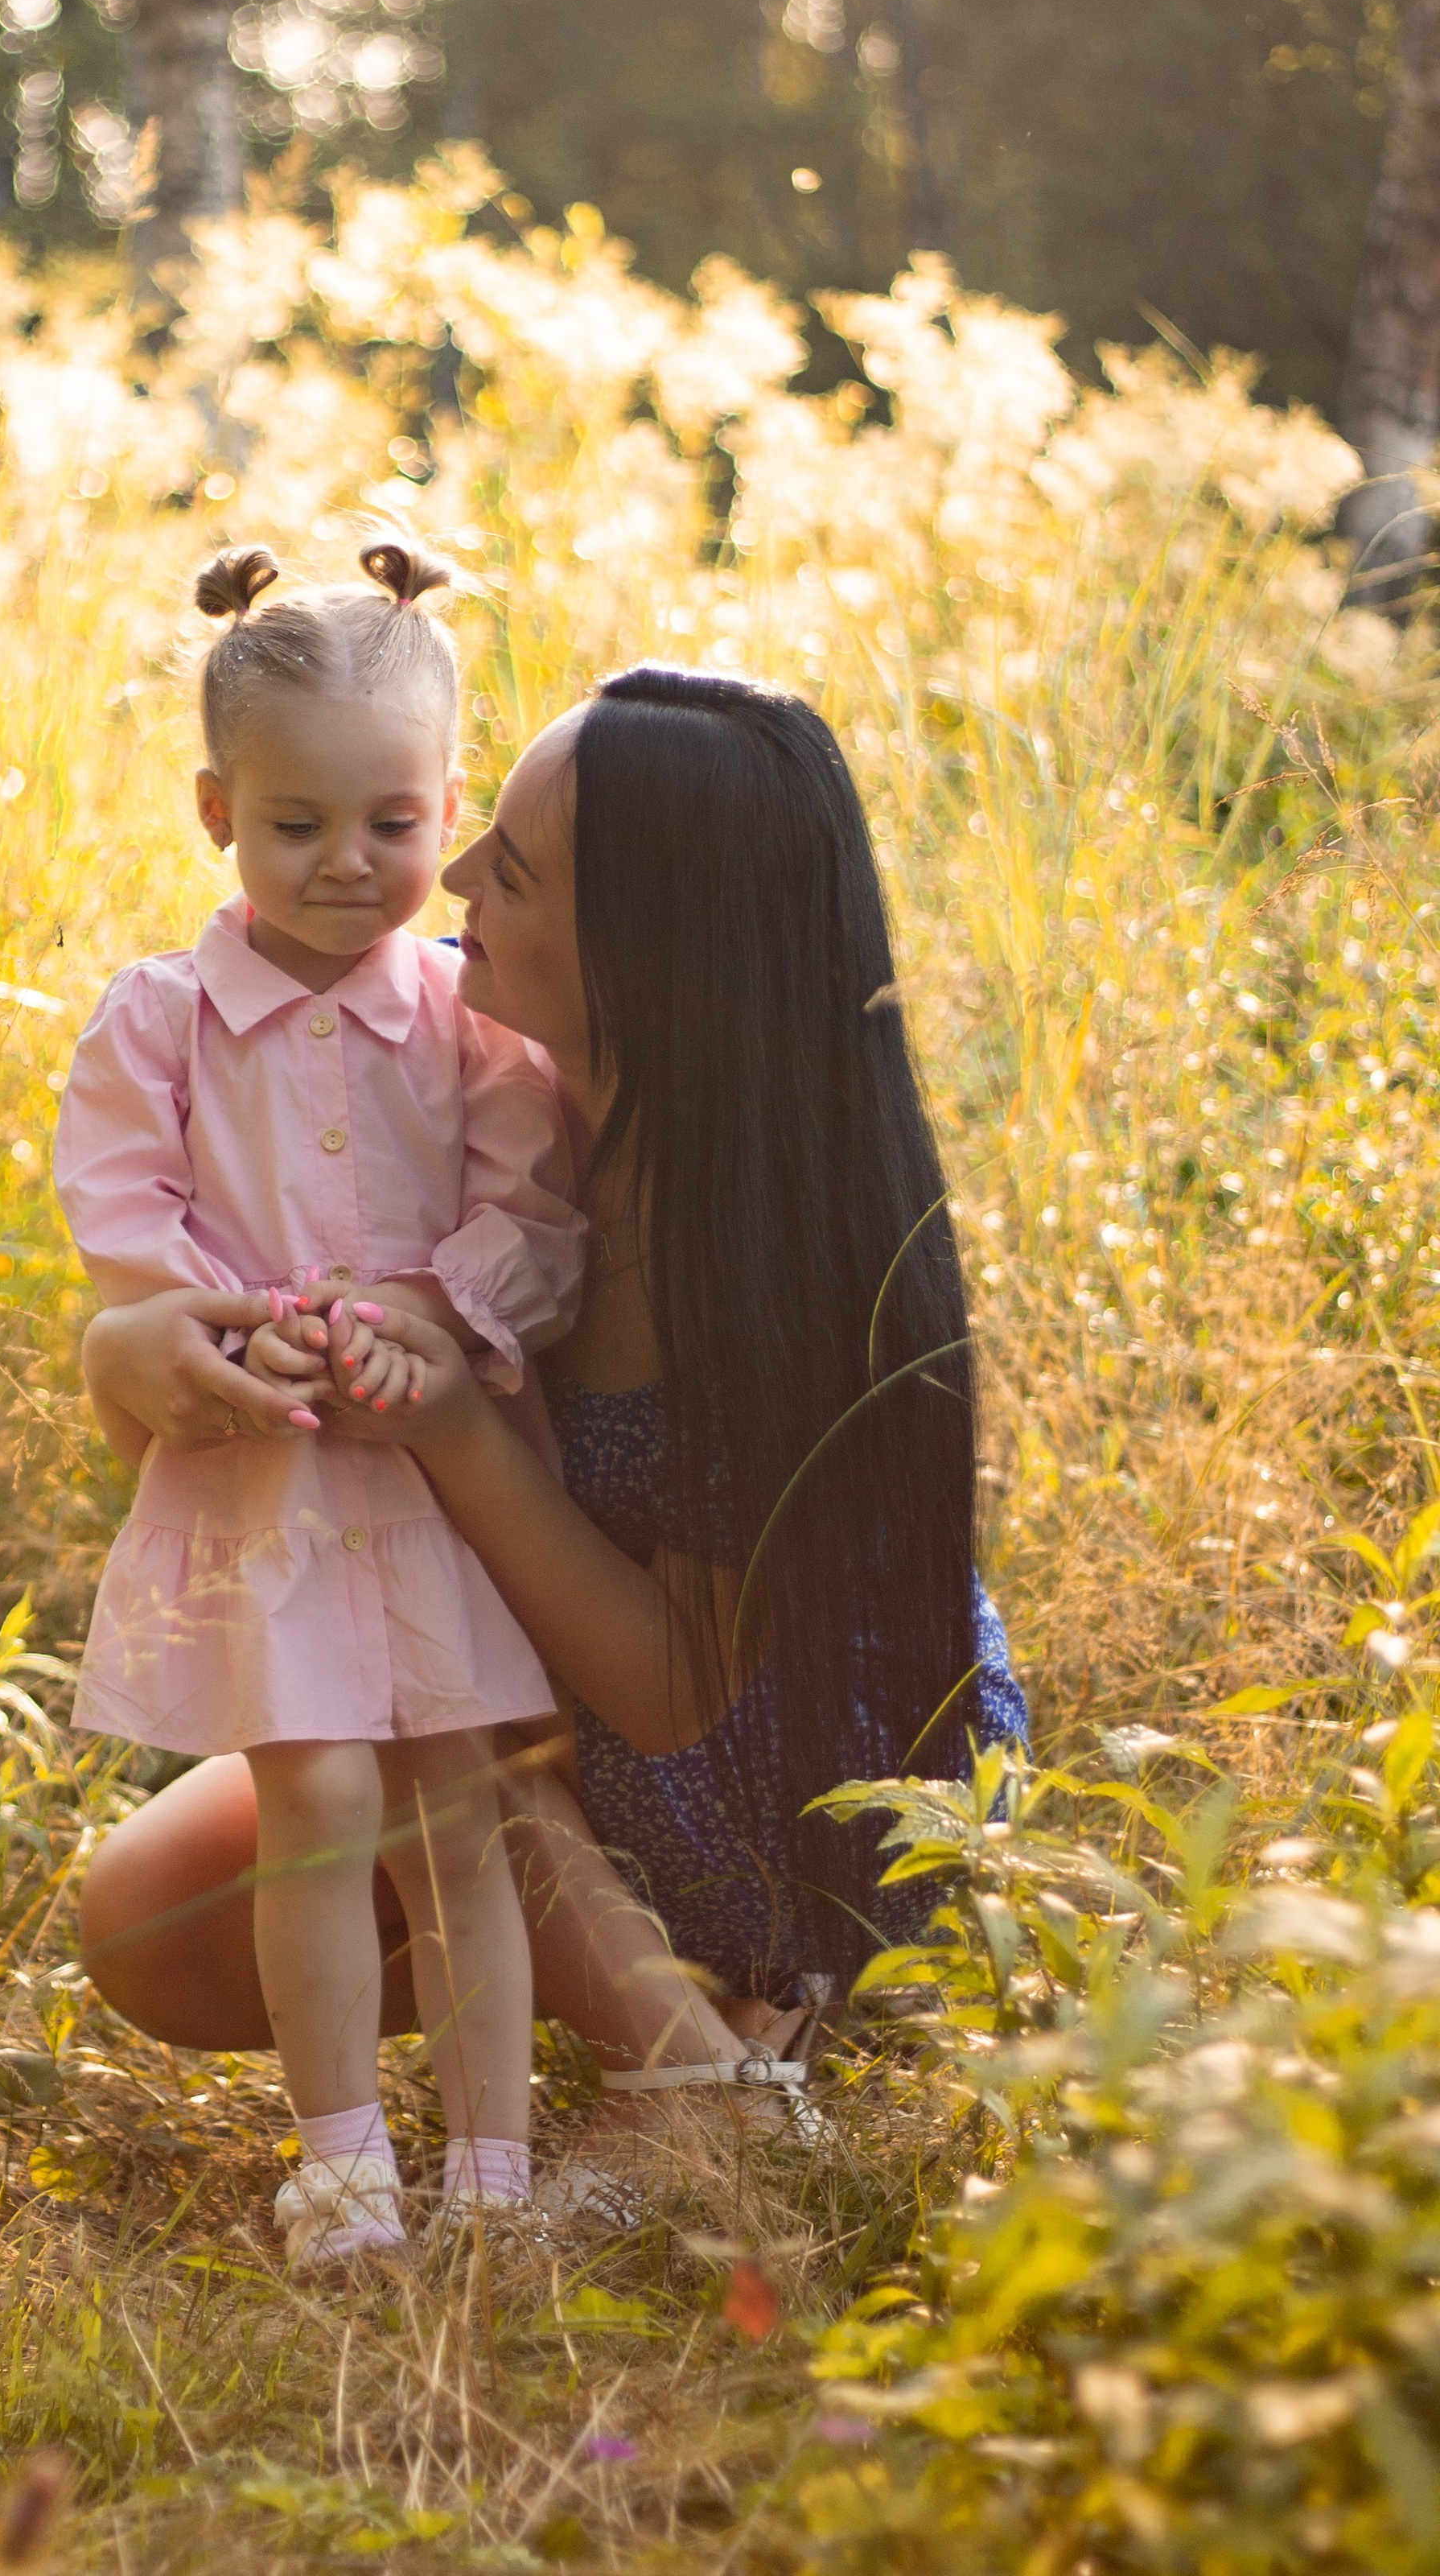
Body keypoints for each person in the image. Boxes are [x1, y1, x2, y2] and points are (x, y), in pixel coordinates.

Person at [76, 666, 1028, 2178]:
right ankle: (614, 1999)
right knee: (153, 1920)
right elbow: (275, 1477)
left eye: (503, 866)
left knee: (399, 1698)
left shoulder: (760, 1247)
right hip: (541, 1686)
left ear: (650, 957)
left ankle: (709, 2074)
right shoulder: (474, 1096)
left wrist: (451, 1429)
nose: (445, 879)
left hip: (780, 1777)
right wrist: (128, 1359)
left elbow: (665, 1695)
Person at [55, 540, 587, 2269]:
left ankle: (494, 2174)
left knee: (466, 1811)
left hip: (434, 1482)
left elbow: (529, 1218)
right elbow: (122, 1209)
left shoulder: (468, 1024)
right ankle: (344, 2160)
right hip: (270, 1478)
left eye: (392, 824)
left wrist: (441, 1317)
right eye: (297, 826)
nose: (350, 866)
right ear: (218, 811)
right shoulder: (162, 1019)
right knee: (320, 1807)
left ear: (446, 808)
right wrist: (214, 1323)